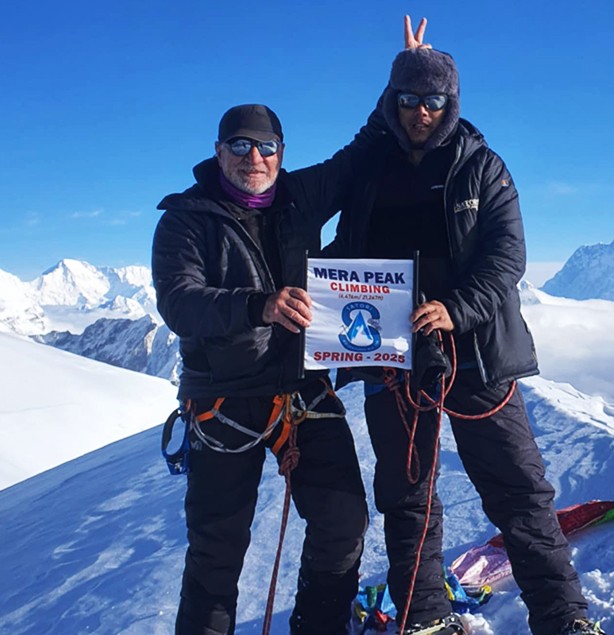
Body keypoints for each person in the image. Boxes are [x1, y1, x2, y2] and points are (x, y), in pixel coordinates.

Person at [326, 31, 604, 635]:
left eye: (432, 100)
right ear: (389, 101)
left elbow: (507, 258)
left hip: (475, 352)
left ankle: (565, 621)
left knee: (519, 493)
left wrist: (456, 308)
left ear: (451, 103)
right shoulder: (369, 168)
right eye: (407, 98)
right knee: (407, 496)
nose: (419, 112)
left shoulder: (482, 166)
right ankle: (424, 618)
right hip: (391, 353)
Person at [152, 99, 385, 634]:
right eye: (239, 144)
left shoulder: (300, 196)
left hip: (301, 390)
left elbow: (361, 151)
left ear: (281, 154)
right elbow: (180, 302)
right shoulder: (186, 220)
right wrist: (261, 305)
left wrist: (409, 75)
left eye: (266, 146)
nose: (253, 156)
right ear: (218, 151)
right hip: (223, 397)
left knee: (343, 523)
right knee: (218, 550)